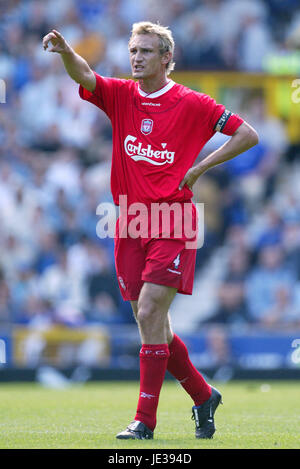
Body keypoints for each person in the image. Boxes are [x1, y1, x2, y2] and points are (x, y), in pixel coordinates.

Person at [43, 22, 258, 440]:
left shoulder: (193, 103)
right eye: (133, 50)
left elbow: (247, 135)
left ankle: (145, 421)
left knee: (148, 312)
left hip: (173, 221)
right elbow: (86, 75)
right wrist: (68, 51)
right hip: (130, 221)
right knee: (155, 325)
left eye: (145, 51)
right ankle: (203, 394)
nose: (136, 57)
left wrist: (199, 167)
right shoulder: (121, 95)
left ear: (166, 59)